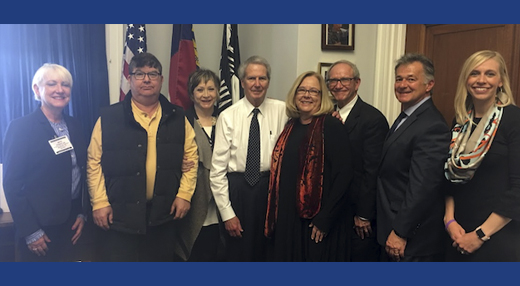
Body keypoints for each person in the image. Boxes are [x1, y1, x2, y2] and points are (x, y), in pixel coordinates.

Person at [87, 52, 198, 262]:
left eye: (153, 74)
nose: (146, 79)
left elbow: (191, 160)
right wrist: (99, 202)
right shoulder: (109, 118)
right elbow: (94, 162)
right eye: (139, 74)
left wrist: (184, 195)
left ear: (161, 80)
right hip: (120, 216)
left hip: (163, 216)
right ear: (130, 79)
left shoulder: (178, 117)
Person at [3, 63, 88, 262]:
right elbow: (12, 184)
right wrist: (31, 231)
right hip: (39, 229)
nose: (60, 90)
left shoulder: (75, 125)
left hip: (71, 224)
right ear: (37, 89)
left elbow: (80, 173)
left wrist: (82, 213)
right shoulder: (21, 128)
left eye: (65, 85)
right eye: (51, 84)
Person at [264, 71, 353, 261]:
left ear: (322, 97)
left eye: (314, 91)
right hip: (289, 218)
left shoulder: (330, 125)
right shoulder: (290, 126)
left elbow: (344, 175)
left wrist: (325, 218)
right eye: (302, 90)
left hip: (316, 222)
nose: (307, 95)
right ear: (294, 94)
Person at [444, 50, 520, 261]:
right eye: (475, 73)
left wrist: (479, 235)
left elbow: (518, 189)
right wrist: (449, 220)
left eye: (490, 74)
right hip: (456, 235)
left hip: (496, 237)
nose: (481, 80)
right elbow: (449, 178)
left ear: (501, 81)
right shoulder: (460, 122)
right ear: (466, 80)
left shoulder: (514, 119)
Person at [210, 55, 287, 261]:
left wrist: (333, 116)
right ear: (242, 82)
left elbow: (311, 117)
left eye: (262, 78)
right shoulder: (228, 116)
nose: (257, 84)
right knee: (238, 252)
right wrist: (228, 214)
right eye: (251, 78)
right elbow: (217, 172)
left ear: (268, 82)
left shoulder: (283, 111)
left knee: (268, 251)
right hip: (238, 191)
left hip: (269, 190)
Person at [377, 53, 450, 262]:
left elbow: (423, 187)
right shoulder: (406, 116)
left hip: (412, 240)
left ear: (429, 85)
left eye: (411, 79)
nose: (402, 85)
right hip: (392, 227)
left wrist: (400, 232)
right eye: (399, 79)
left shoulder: (432, 126)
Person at [326, 60, 388, 261]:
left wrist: (364, 215)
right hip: (335, 210)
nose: (338, 85)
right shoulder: (327, 116)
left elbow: (373, 171)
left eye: (344, 79)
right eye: (333, 80)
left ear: (357, 83)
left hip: (357, 214)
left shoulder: (372, 119)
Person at [176, 68, 223, 261]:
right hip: (195, 201)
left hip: (222, 204)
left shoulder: (227, 120)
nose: (206, 95)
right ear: (191, 93)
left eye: (211, 89)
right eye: (200, 89)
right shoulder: (181, 121)